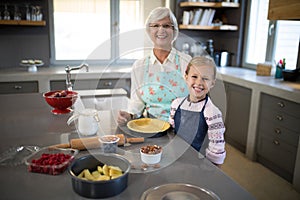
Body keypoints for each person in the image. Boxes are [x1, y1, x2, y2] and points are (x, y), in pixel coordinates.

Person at [117, 7, 192, 125]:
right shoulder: (139, 66)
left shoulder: (187, 62)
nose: (161, 30)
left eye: (166, 26)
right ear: (149, 31)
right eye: (155, 26)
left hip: (184, 126)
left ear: (174, 31)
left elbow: (197, 98)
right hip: (151, 127)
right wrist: (129, 115)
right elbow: (137, 101)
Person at [169, 56, 226, 165]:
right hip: (175, 158)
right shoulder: (176, 104)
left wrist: (209, 169)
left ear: (212, 83)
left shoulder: (212, 113)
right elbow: (171, 132)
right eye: (194, 76)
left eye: (205, 78)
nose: (199, 82)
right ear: (186, 77)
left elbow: (217, 149)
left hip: (198, 164)